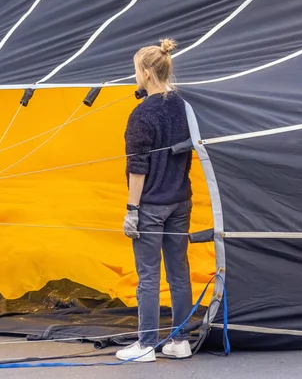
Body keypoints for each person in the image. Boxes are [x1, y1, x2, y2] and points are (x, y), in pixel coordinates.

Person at [116, 39, 193, 363]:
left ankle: (145, 345)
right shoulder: (184, 105)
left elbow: (138, 168)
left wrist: (132, 210)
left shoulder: (141, 116)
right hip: (181, 200)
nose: (135, 76)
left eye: (136, 71)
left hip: (151, 204)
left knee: (148, 276)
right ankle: (181, 341)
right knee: (179, 272)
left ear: (146, 73)